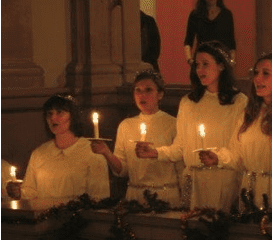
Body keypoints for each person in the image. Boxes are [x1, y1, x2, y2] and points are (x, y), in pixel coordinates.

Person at [136, 41, 247, 211]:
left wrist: (218, 157)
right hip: (194, 182)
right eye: (197, 65)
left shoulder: (238, 102)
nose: (200, 70)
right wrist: (156, 152)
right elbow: (180, 147)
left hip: (222, 182)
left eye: (205, 64)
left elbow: (239, 151)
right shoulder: (188, 102)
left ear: (221, 66)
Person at [198, 53, 272, 209]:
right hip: (251, 192)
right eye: (256, 73)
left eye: (266, 73)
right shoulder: (248, 114)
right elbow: (237, 155)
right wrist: (218, 158)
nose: (258, 79)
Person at [90, 70, 183, 206]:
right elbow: (122, 170)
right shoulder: (126, 125)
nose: (142, 95)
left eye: (148, 90)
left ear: (160, 94)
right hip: (135, 197)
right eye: (137, 90)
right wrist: (106, 153)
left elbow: (180, 166)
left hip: (165, 195)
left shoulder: (173, 124)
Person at [6, 94, 109, 206]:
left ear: (73, 116)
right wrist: (18, 192)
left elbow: (99, 197)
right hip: (42, 218)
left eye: (60, 113)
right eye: (49, 114)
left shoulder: (92, 152)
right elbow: (30, 191)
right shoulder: (39, 153)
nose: (53, 118)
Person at [183, 0, 236, 64]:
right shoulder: (195, 15)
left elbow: (231, 43)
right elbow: (188, 41)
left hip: (220, 61)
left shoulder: (226, 15)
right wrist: (190, 60)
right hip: (202, 60)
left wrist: (232, 61)